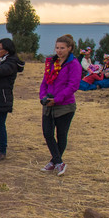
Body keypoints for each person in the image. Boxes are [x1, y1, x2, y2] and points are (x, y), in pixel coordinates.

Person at [39, 34, 80, 176]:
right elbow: (45, 81)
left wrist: (57, 99)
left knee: (61, 134)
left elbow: (73, 86)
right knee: (47, 133)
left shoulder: (74, 64)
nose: (59, 51)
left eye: (62, 48)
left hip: (64, 106)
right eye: (57, 47)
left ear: (69, 48)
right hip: (48, 104)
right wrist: (43, 97)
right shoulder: (51, 62)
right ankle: (58, 162)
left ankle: (55, 161)